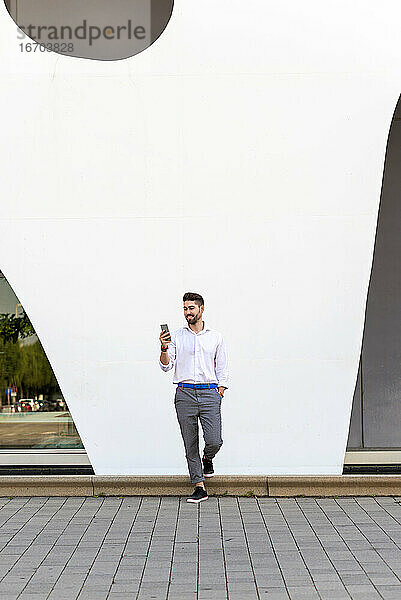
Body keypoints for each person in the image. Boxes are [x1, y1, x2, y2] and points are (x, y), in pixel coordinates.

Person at [159, 292, 229, 503]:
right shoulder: (177, 337)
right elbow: (166, 366)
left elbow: (222, 367)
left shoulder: (215, 337)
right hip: (185, 393)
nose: (187, 312)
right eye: (185, 308)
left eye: (191, 308)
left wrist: (221, 390)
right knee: (190, 442)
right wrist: (163, 347)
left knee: (214, 440)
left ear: (201, 309)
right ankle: (199, 486)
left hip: (210, 393)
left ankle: (208, 459)